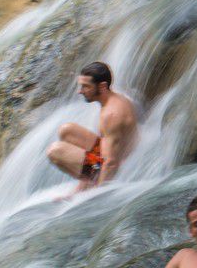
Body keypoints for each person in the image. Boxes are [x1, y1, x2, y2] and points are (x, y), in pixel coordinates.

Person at [45, 61, 139, 192]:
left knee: (54, 151)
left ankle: (91, 184)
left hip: (120, 165)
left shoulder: (111, 115)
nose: (80, 91)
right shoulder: (113, 99)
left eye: (85, 87)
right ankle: (86, 182)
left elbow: (111, 162)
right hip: (112, 154)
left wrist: (97, 196)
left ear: (102, 86)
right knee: (66, 130)